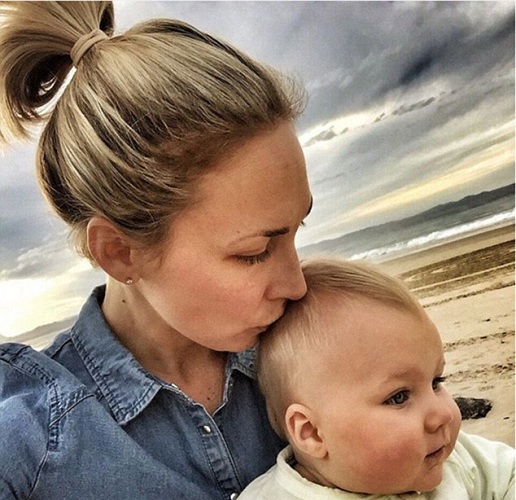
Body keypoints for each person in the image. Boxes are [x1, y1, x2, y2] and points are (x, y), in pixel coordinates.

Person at [0, 2, 313, 498]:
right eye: (254, 252)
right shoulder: (29, 439)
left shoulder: (317, 347)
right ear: (120, 253)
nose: (297, 285)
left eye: (298, 228)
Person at [240, 258, 515, 499]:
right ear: (311, 432)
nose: (442, 414)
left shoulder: (454, 459)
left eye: (436, 382)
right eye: (399, 397)